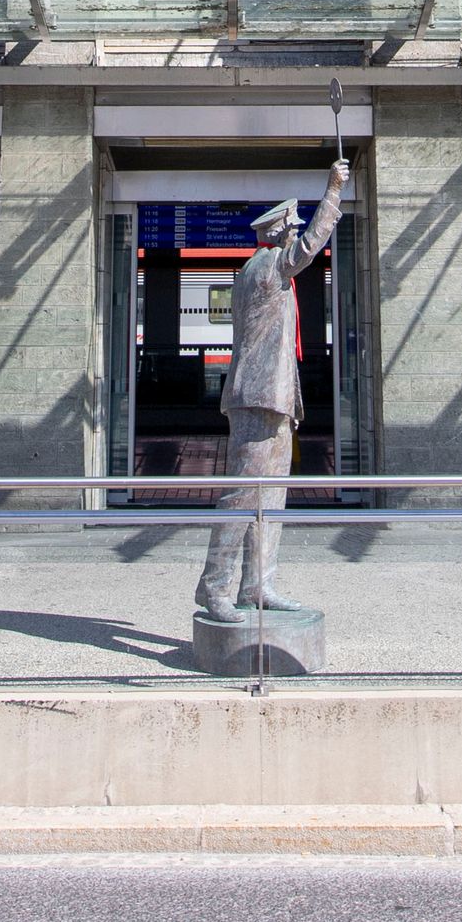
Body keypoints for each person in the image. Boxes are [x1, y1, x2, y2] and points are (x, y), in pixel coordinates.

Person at [194, 156, 350, 627]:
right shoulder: (265, 269)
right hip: (257, 398)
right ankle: (215, 587)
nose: (295, 234)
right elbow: (307, 249)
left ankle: (257, 584)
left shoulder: (266, 270)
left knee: (271, 499)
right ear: (280, 232)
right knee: (243, 496)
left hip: (275, 399)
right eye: (293, 228)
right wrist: (333, 192)